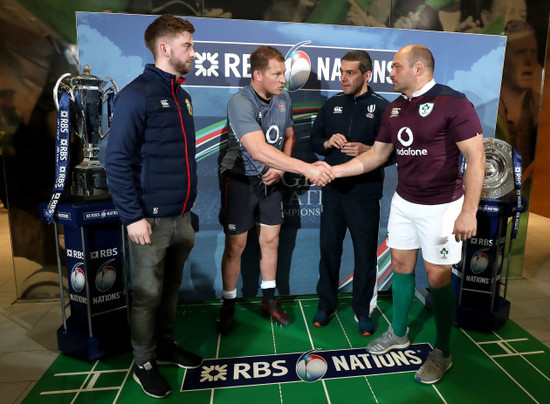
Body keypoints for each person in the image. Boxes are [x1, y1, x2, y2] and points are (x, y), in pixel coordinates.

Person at [332, 45, 485, 384]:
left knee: (436, 277)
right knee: (400, 266)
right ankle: (399, 333)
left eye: (396, 66)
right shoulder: (396, 109)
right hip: (404, 202)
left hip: (443, 207)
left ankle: (442, 351)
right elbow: (376, 156)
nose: (390, 72)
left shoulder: (454, 103)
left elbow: (477, 158)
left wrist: (468, 211)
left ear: (418, 69)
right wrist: (335, 172)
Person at [106, 15, 203, 399]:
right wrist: (133, 217)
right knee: (147, 294)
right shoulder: (136, 94)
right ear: (165, 48)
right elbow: (116, 161)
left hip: (182, 219)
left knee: (171, 289)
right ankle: (143, 362)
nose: (194, 53)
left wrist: (188, 211)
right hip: (148, 222)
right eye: (188, 46)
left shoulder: (183, 95)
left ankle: (165, 347)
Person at [217, 45, 334, 334]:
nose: (284, 79)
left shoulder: (284, 99)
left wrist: (281, 167)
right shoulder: (240, 102)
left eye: (284, 73)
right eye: (277, 73)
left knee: (271, 241)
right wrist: (304, 168)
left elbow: (289, 135)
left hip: (273, 179)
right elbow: (257, 149)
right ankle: (229, 303)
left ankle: (268, 299)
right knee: (236, 246)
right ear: (258, 74)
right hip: (240, 180)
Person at [309, 50, 390, 335]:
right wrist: (329, 142)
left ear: (367, 75)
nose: (343, 77)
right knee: (329, 250)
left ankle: (361, 309)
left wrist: (369, 150)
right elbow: (315, 142)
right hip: (333, 192)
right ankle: (326, 304)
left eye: (351, 73)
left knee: (365, 254)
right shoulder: (332, 105)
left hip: (365, 194)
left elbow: (395, 154)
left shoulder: (383, 107)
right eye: (341, 72)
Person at [497, 21, 541, 176]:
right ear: (503, 59)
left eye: (533, 52)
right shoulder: (486, 110)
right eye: (521, 52)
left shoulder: (540, 108)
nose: (529, 61)